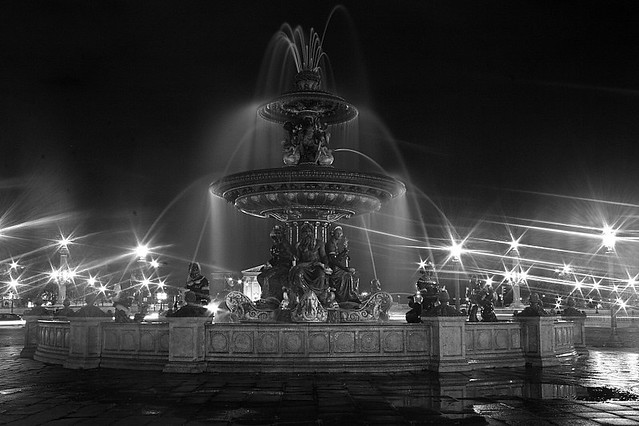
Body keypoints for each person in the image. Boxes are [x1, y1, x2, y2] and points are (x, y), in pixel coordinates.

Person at [289, 223, 332, 306]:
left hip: (316, 266)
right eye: (305, 232)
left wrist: (325, 265)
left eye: (309, 231)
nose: (307, 234)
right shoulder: (299, 245)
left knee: (321, 275)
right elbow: (298, 258)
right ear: (302, 234)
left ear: (312, 233)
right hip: (305, 266)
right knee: (298, 274)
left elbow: (323, 256)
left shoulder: (319, 243)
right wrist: (294, 257)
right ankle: (304, 296)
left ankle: (319, 297)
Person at [257, 225, 295, 301]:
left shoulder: (285, 244)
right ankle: (265, 295)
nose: (276, 237)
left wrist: (280, 255)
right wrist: (269, 263)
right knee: (260, 277)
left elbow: (291, 257)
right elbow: (274, 258)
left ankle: (274, 298)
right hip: (277, 266)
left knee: (269, 277)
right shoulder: (275, 245)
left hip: (284, 266)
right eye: (275, 235)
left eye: (278, 234)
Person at [325, 226, 360, 304]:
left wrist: (343, 252)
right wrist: (345, 269)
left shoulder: (335, 244)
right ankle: (346, 297)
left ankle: (351, 294)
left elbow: (337, 258)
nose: (339, 235)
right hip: (332, 267)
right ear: (333, 233)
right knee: (348, 276)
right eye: (338, 233)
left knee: (353, 274)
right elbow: (333, 260)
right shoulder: (330, 244)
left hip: (336, 267)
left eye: (340, 233)